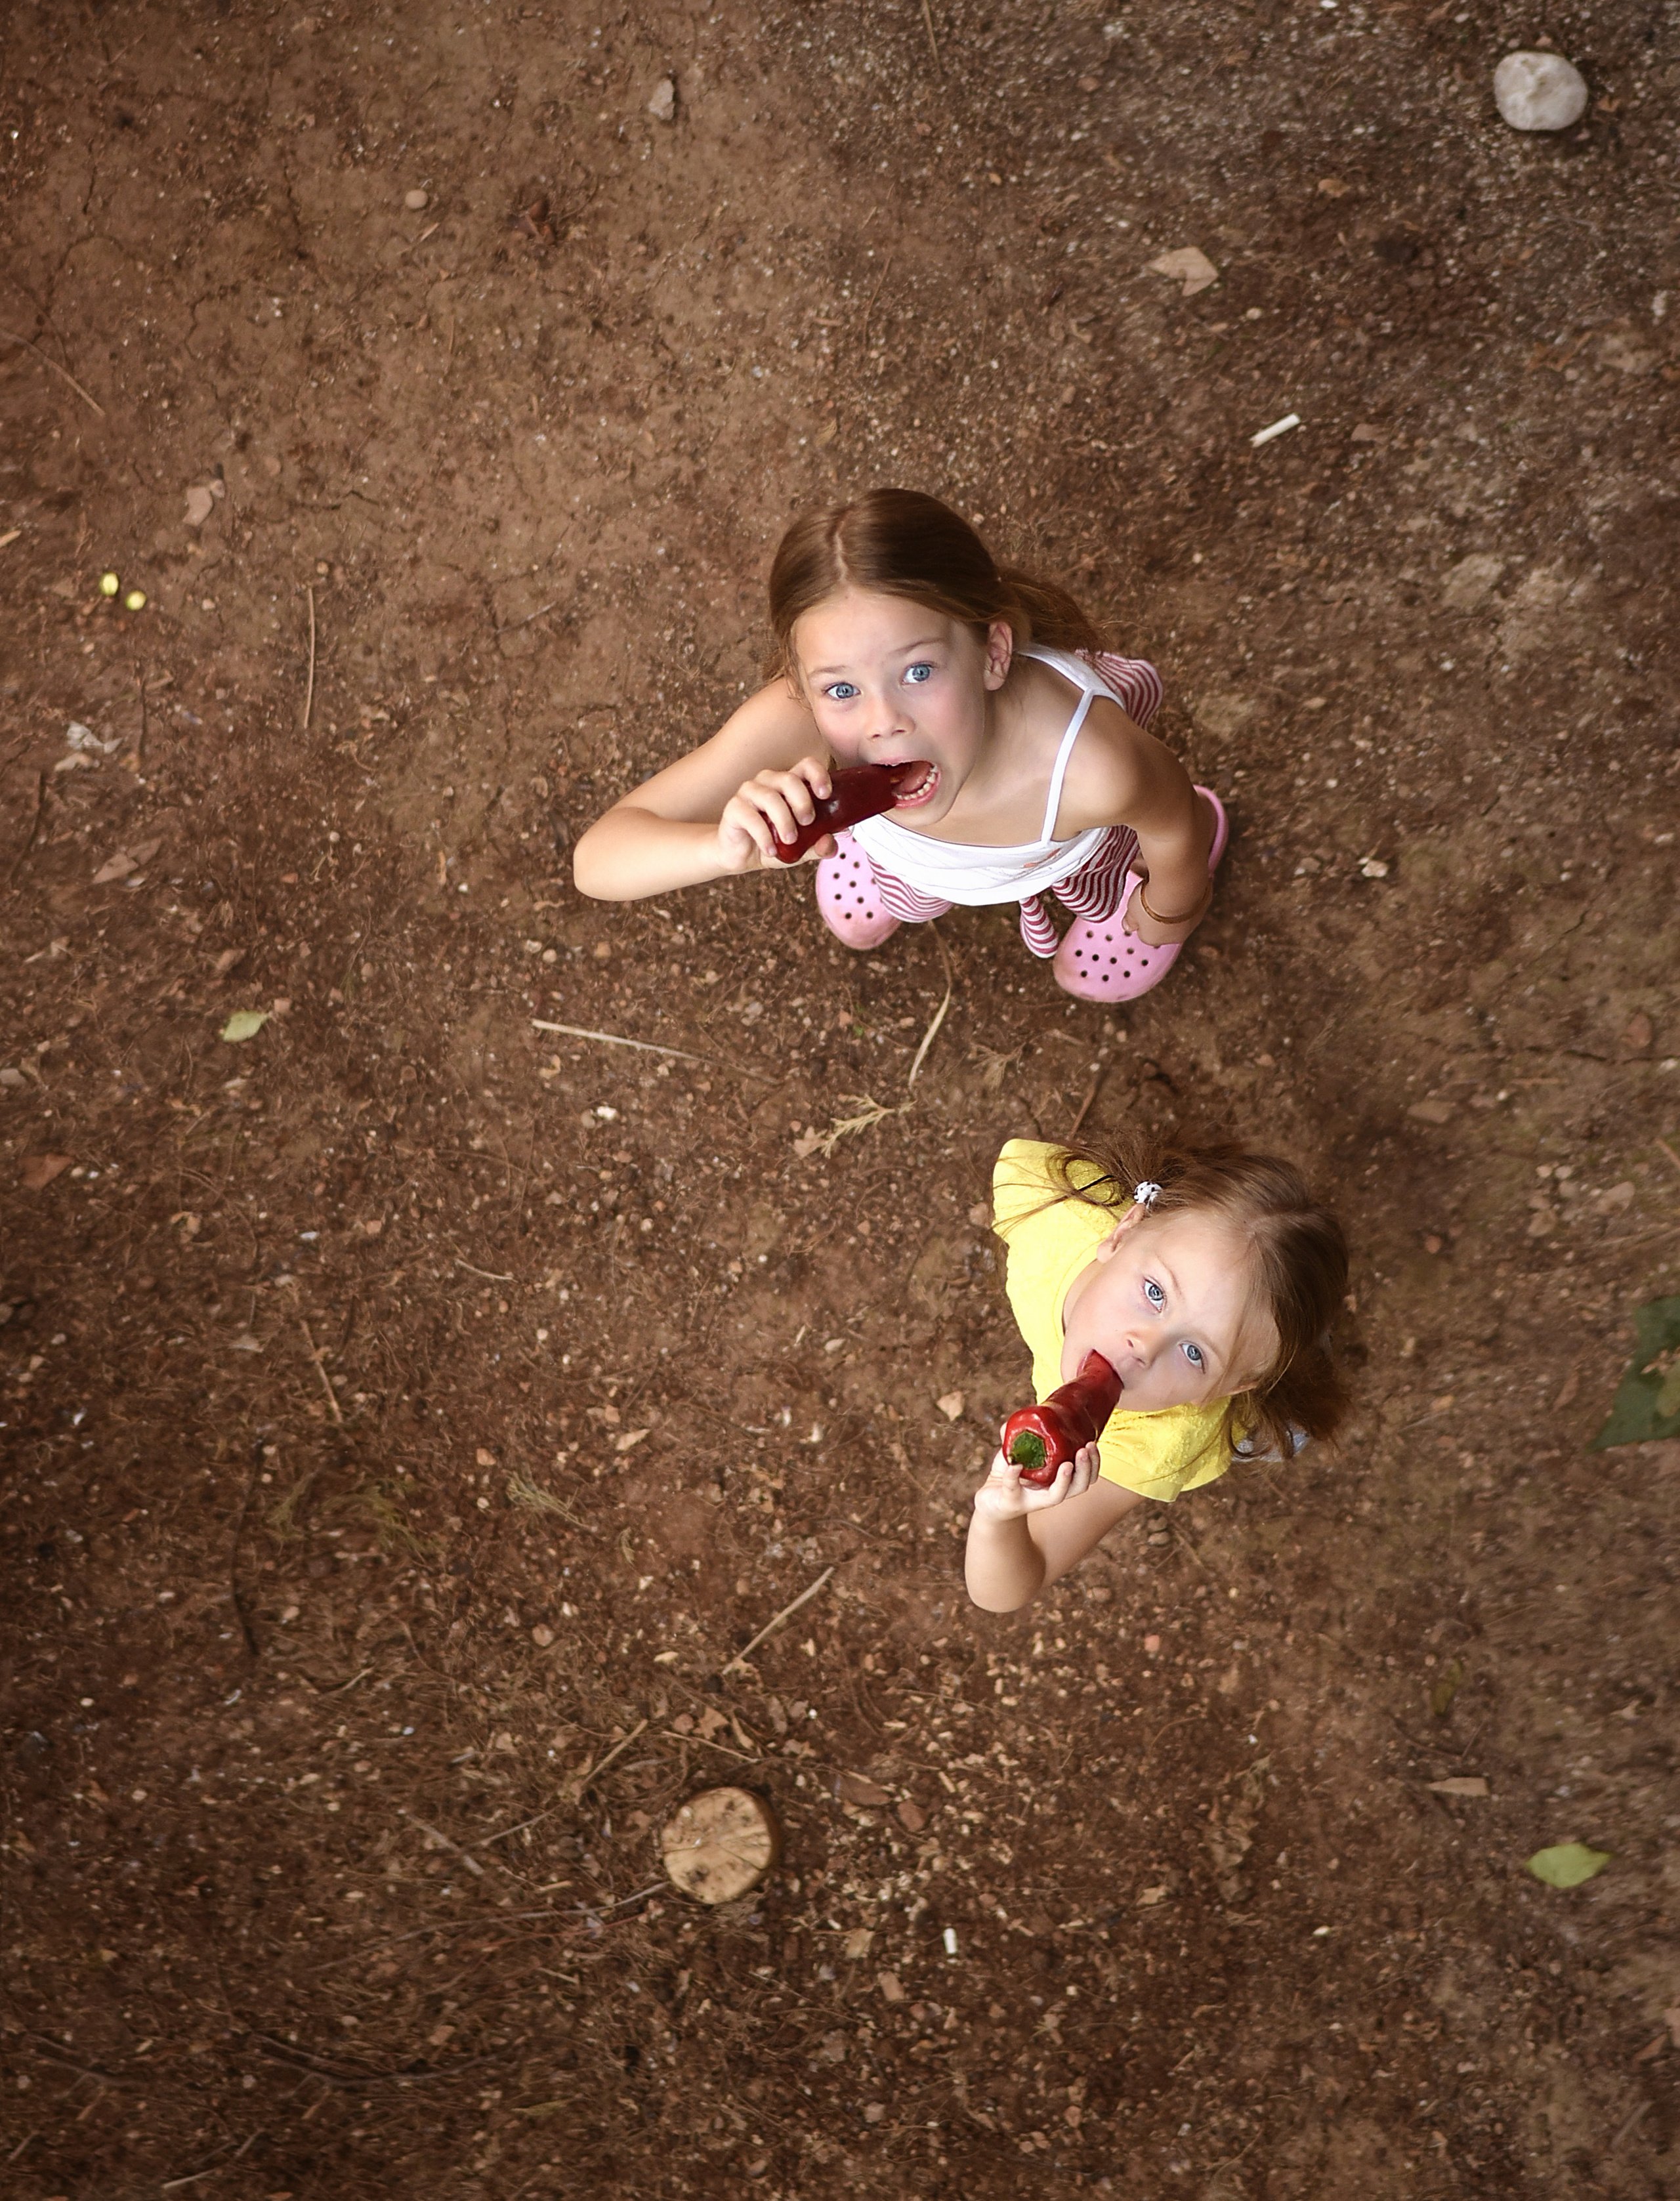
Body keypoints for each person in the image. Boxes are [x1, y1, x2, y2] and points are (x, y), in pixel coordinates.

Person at [572, 488, 1225, 1001]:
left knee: (1132, 879)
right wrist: (718, 848)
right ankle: (887, 873)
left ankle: (1127, 902)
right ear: (801, 684)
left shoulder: (1091, 769)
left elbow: (1169, 820)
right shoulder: (798, 721)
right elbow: (597, 862)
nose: (882, 723)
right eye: (840, 689)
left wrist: (1172, 904)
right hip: (908, 858)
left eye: (918, 672)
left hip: (1056, 858)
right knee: (905, 880)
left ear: (991, 656)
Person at [964, 1133, 1349, 1613]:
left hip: (1244, 1405)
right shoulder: (1051, 1209)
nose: (1143, 1348)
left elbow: (1010, 1587)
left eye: (1193, 1352)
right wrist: (998, 1514)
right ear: (1122, 1232)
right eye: (1154, 1292)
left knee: (1283, 1432)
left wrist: (996, 1518)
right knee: (1269, 1315)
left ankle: (1297, 1344)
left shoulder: (1159, 1440)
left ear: (1230, 1387)